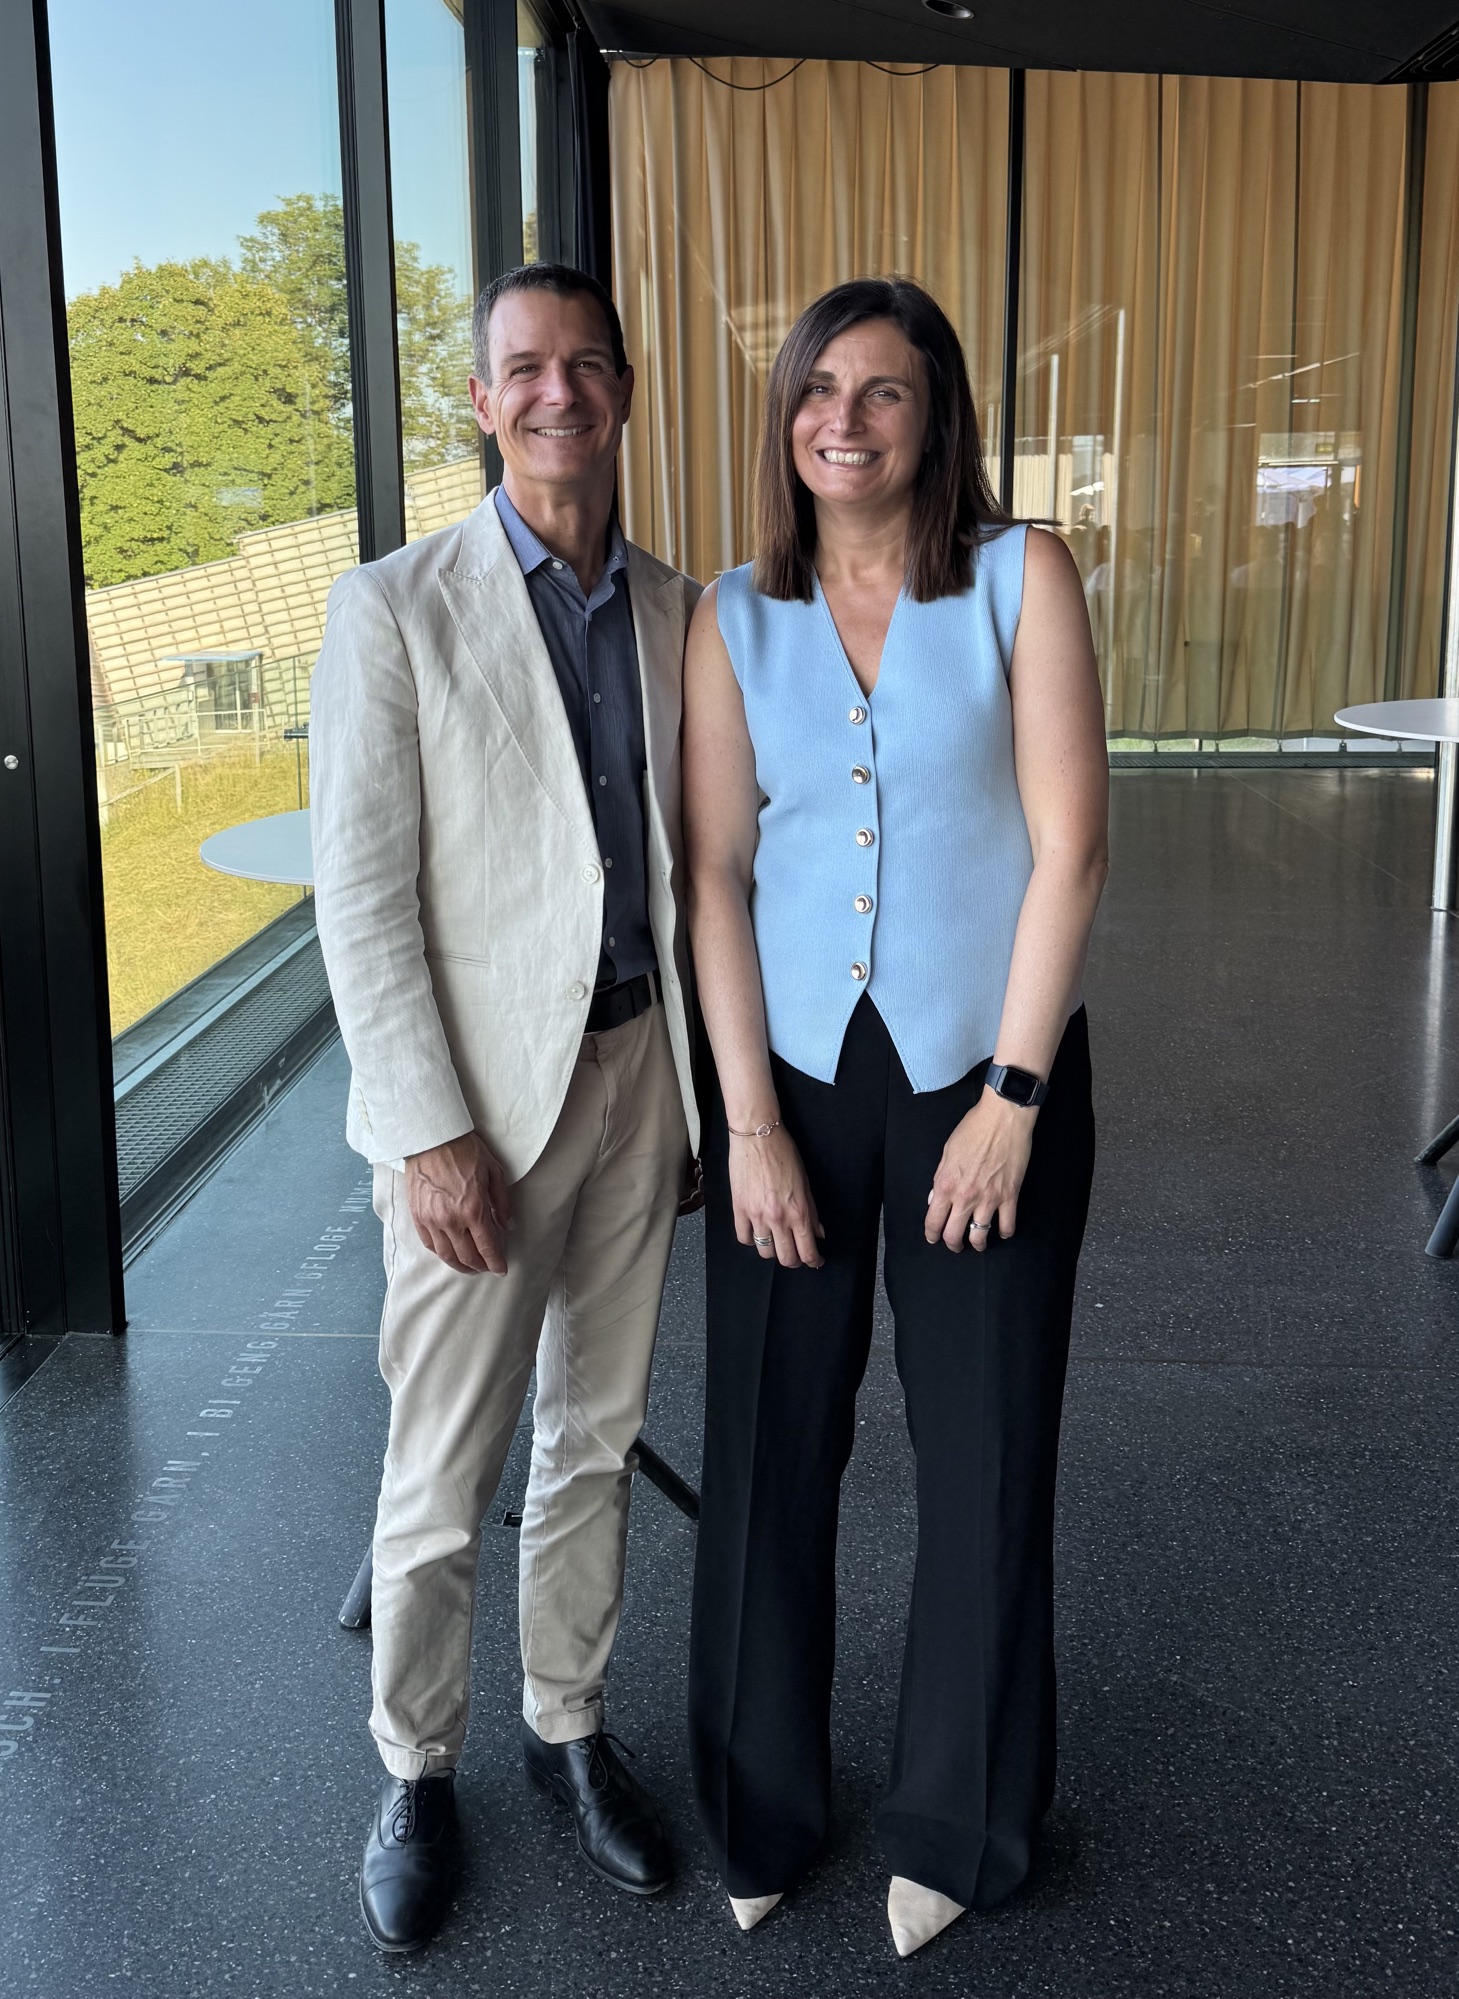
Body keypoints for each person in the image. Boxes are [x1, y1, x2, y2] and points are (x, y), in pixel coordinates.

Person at [683, 277, 1108, 1957]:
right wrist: (748, 1128)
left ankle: (963, 1817)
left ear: (937, 419)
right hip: (787, 1077)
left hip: (984, 1073)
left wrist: (1014, 1095)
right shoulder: (735, 614)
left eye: (883, 392)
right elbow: (716, 875)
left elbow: (1072, 847)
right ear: (785, 415)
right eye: (818, 390)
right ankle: (759, 1804)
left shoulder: (1020, 576)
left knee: (984, 1449)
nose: (843, 421)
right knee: (768, 1442)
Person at [310, 262, 701, 1956]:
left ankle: (567, 1725)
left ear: (623, 390)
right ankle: (415, 1767)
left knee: (594, 1438)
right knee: (441, 1469)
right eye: (523, 368)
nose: (558, 393)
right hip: (475, 1113)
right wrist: (425, 1132)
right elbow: (360, 899)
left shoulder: (681, 611)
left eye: (585, 364)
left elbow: (699, 870)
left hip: (638, 1078)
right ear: (482, 402)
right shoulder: (395, 609)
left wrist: (701, 1104)